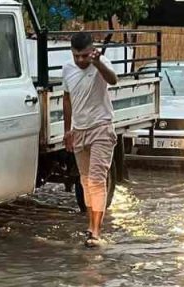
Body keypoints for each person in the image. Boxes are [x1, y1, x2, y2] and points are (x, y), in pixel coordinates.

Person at [62, 32, 118, 247]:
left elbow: (113, 79)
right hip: (79, 130)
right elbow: (67, 99)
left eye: (85, 56)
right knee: (85, 181)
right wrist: (68, 131)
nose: (81, 60)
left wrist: (97, 63)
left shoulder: (101, 63)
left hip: (101, 128)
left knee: (96, 180)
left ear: (92, 51)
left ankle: (96, 232)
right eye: (77, 56)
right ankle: (89, 224)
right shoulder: (67, 69)